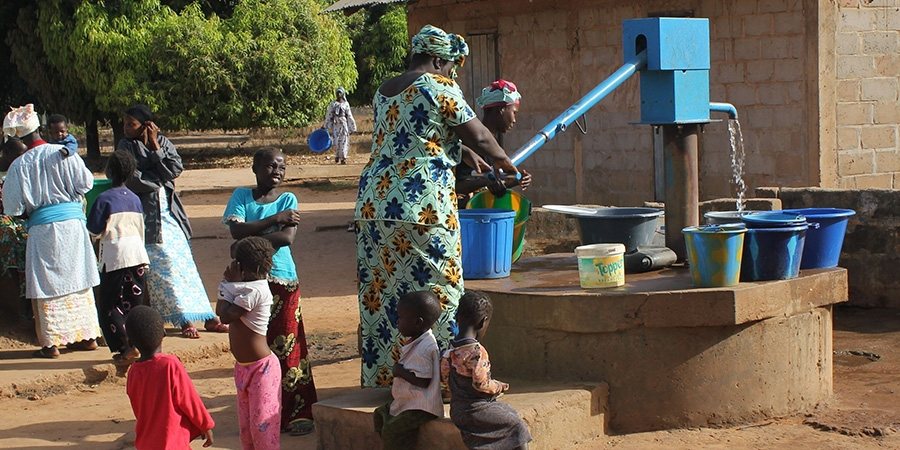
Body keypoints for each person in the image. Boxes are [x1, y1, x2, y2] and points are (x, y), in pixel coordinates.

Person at [354, 24, 519, 388]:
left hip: (374, 205)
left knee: (384, 296)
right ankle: (448, 380)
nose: (449, 74)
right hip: (422, 205)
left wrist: (465, 154)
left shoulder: (384, 91)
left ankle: (389, 378)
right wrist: (505, 162)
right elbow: (476, 131)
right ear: (438, 59)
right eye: (448, 67)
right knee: (441, 290)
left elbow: (415, 138)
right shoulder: (439, 86)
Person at [223, 147, 317, 435]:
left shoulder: (289, 198)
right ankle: (262, 409)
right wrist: (273, 220)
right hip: (250, 281)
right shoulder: (241, 196)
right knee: (256, 345)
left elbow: (286, 239)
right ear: (254, 168)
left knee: (288, 344)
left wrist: (250, 238)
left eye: (281, 167)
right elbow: (235, 233)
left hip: (282, 280)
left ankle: (297, 412)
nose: (276, 171)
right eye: (269, 166)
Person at [117, 104, 227, 338]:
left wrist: (155, 148)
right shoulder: (125, 146)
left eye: (131, 124)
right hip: (147, 220)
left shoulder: (163, 142)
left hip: (170, 214)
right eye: (125, 123)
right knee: (163, 268)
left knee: (185, 266)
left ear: (147, 126)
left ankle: (206, 316)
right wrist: (159, 178)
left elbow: (175, 168)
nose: (125, 128)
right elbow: (133, 179)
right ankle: (184, 319)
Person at [2, 104, 102, 359]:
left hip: (42, 229)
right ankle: (88, 336)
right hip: (73, 227)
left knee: (46, 283)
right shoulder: (64, 153)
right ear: (39, 128)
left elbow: (13, 208)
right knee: (77, 277)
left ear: (18, 136)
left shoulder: (19, 165)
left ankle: (51, 344)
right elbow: (86, 183)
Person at [440, 290, 531, 449]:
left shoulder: (450, 350)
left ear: (457, 317)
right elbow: (481, 384)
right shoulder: (477, 352)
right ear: (483, 322)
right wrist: (499, 386)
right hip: (476, 410)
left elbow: (445, 377)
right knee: (517, 425)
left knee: (507, 411)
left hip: (457, 409)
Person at [216, 236, 281, 449]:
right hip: (244, 369)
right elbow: (221, 311)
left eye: (235, 261)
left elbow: (226, 316)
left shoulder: (256, 290)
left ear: (242, 266)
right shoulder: (243, 288)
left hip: (262, 369)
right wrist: (230, 285)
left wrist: (228, 283)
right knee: (247, 429)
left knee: (263, 426)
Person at [86, 150, 150, 362]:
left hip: (115, 257)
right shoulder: (135, 199)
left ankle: (124, 347)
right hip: (138, 255)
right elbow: (141, 229)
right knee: (135, 303)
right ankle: (137, 344)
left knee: (110, 304)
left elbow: (94, 230)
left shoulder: (104, 199)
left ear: (109, 172)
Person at [125, 305, 215, 449]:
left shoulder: (133, 372)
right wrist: (205, 425)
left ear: (130, 342)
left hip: (146, 442)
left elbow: (138, 407)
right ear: (164, 333)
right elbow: (189, 399)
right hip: (172, 441)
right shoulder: (169, 364)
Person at [374, 291, 444, 450]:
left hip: (421, 407)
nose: (397, 321)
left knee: (393, 430)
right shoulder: (417, 340)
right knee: (380, 414)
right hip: (409, 401)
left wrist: (400, 372)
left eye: (401, 317)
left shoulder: (425, 348)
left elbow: (424, 381)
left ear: (418, 323)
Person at [456, 80, 533, 209]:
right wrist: (487, 181)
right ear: (501, 109)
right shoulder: (471, 143)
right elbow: (456, 186)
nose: (514, 120)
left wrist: (512, 180)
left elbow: (487, 184)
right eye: (514, 112)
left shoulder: (493, 147)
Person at [0, 137, 28, 318]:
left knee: (27, 240)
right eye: (20, 154)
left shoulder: (21, 170)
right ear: (7, 154)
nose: (23, 158)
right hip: (4, 220)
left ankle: (24, 301)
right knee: (8, 233)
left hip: (18, 219)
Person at [324, 87, 357, 165]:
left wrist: (352, 127)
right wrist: (326, 125)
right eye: (337, 93)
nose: (338, 94)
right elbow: (329, 115)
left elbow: (349, 115)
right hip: (336, 125)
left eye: (340, 93)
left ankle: (343, 158)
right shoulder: (333, 104)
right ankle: (337, 156)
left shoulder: (346, 104)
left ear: (343, 94)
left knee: (344, 141)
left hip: (343, 125)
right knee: (336, 141)